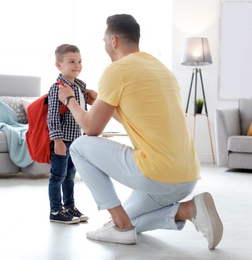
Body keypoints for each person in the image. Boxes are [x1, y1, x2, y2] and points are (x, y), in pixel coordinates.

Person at [57, 14, 223, 249]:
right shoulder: (161, 69)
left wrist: (70, 100)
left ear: (113, 40)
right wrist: (102, 104)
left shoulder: (117, 70)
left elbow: (90, 128)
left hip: (158, 173)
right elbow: (141, 120)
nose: (104, 45)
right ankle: (188, 209)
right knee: (131, 217)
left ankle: (120, 227)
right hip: (186, 177)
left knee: (80, 147)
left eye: (104, 40)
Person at [47, 44, 89, 224]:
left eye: (79, 61)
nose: (77, 65)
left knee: (71, 176)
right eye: (71, 61)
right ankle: (56, 210)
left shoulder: (79, 86)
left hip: (76, 139)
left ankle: (69, 206)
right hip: (62, 140)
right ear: (59, 65)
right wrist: (57, 140)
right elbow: (52, 116)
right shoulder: (58, 88)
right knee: (58, 176)